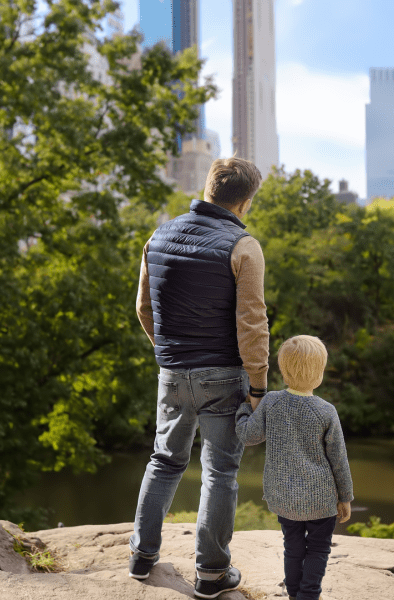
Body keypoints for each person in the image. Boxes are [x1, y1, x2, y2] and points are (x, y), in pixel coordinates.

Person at [129, 157, 270, 599]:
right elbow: (252, 323)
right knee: (220, 473)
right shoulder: (243, 247)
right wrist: (259, 384)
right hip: (223, 377)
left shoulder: (159, 236)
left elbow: (142, 308)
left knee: (164, 460)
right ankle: (211, 573)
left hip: (171, 372)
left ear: (208, 187)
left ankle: (141, 555)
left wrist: (168, 352)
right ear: (244, 203)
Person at [235, 335, 354, 600]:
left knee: (293, 547)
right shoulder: (326, 411)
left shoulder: (272, 402)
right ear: (319, 373)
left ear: (284, 370)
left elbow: (248, 436)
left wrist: (244, 408)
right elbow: (339, 460)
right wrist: (345, 497)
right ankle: (308, 595)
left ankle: (294, 594)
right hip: (321, 500)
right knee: (318, 549)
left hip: (285, 499)